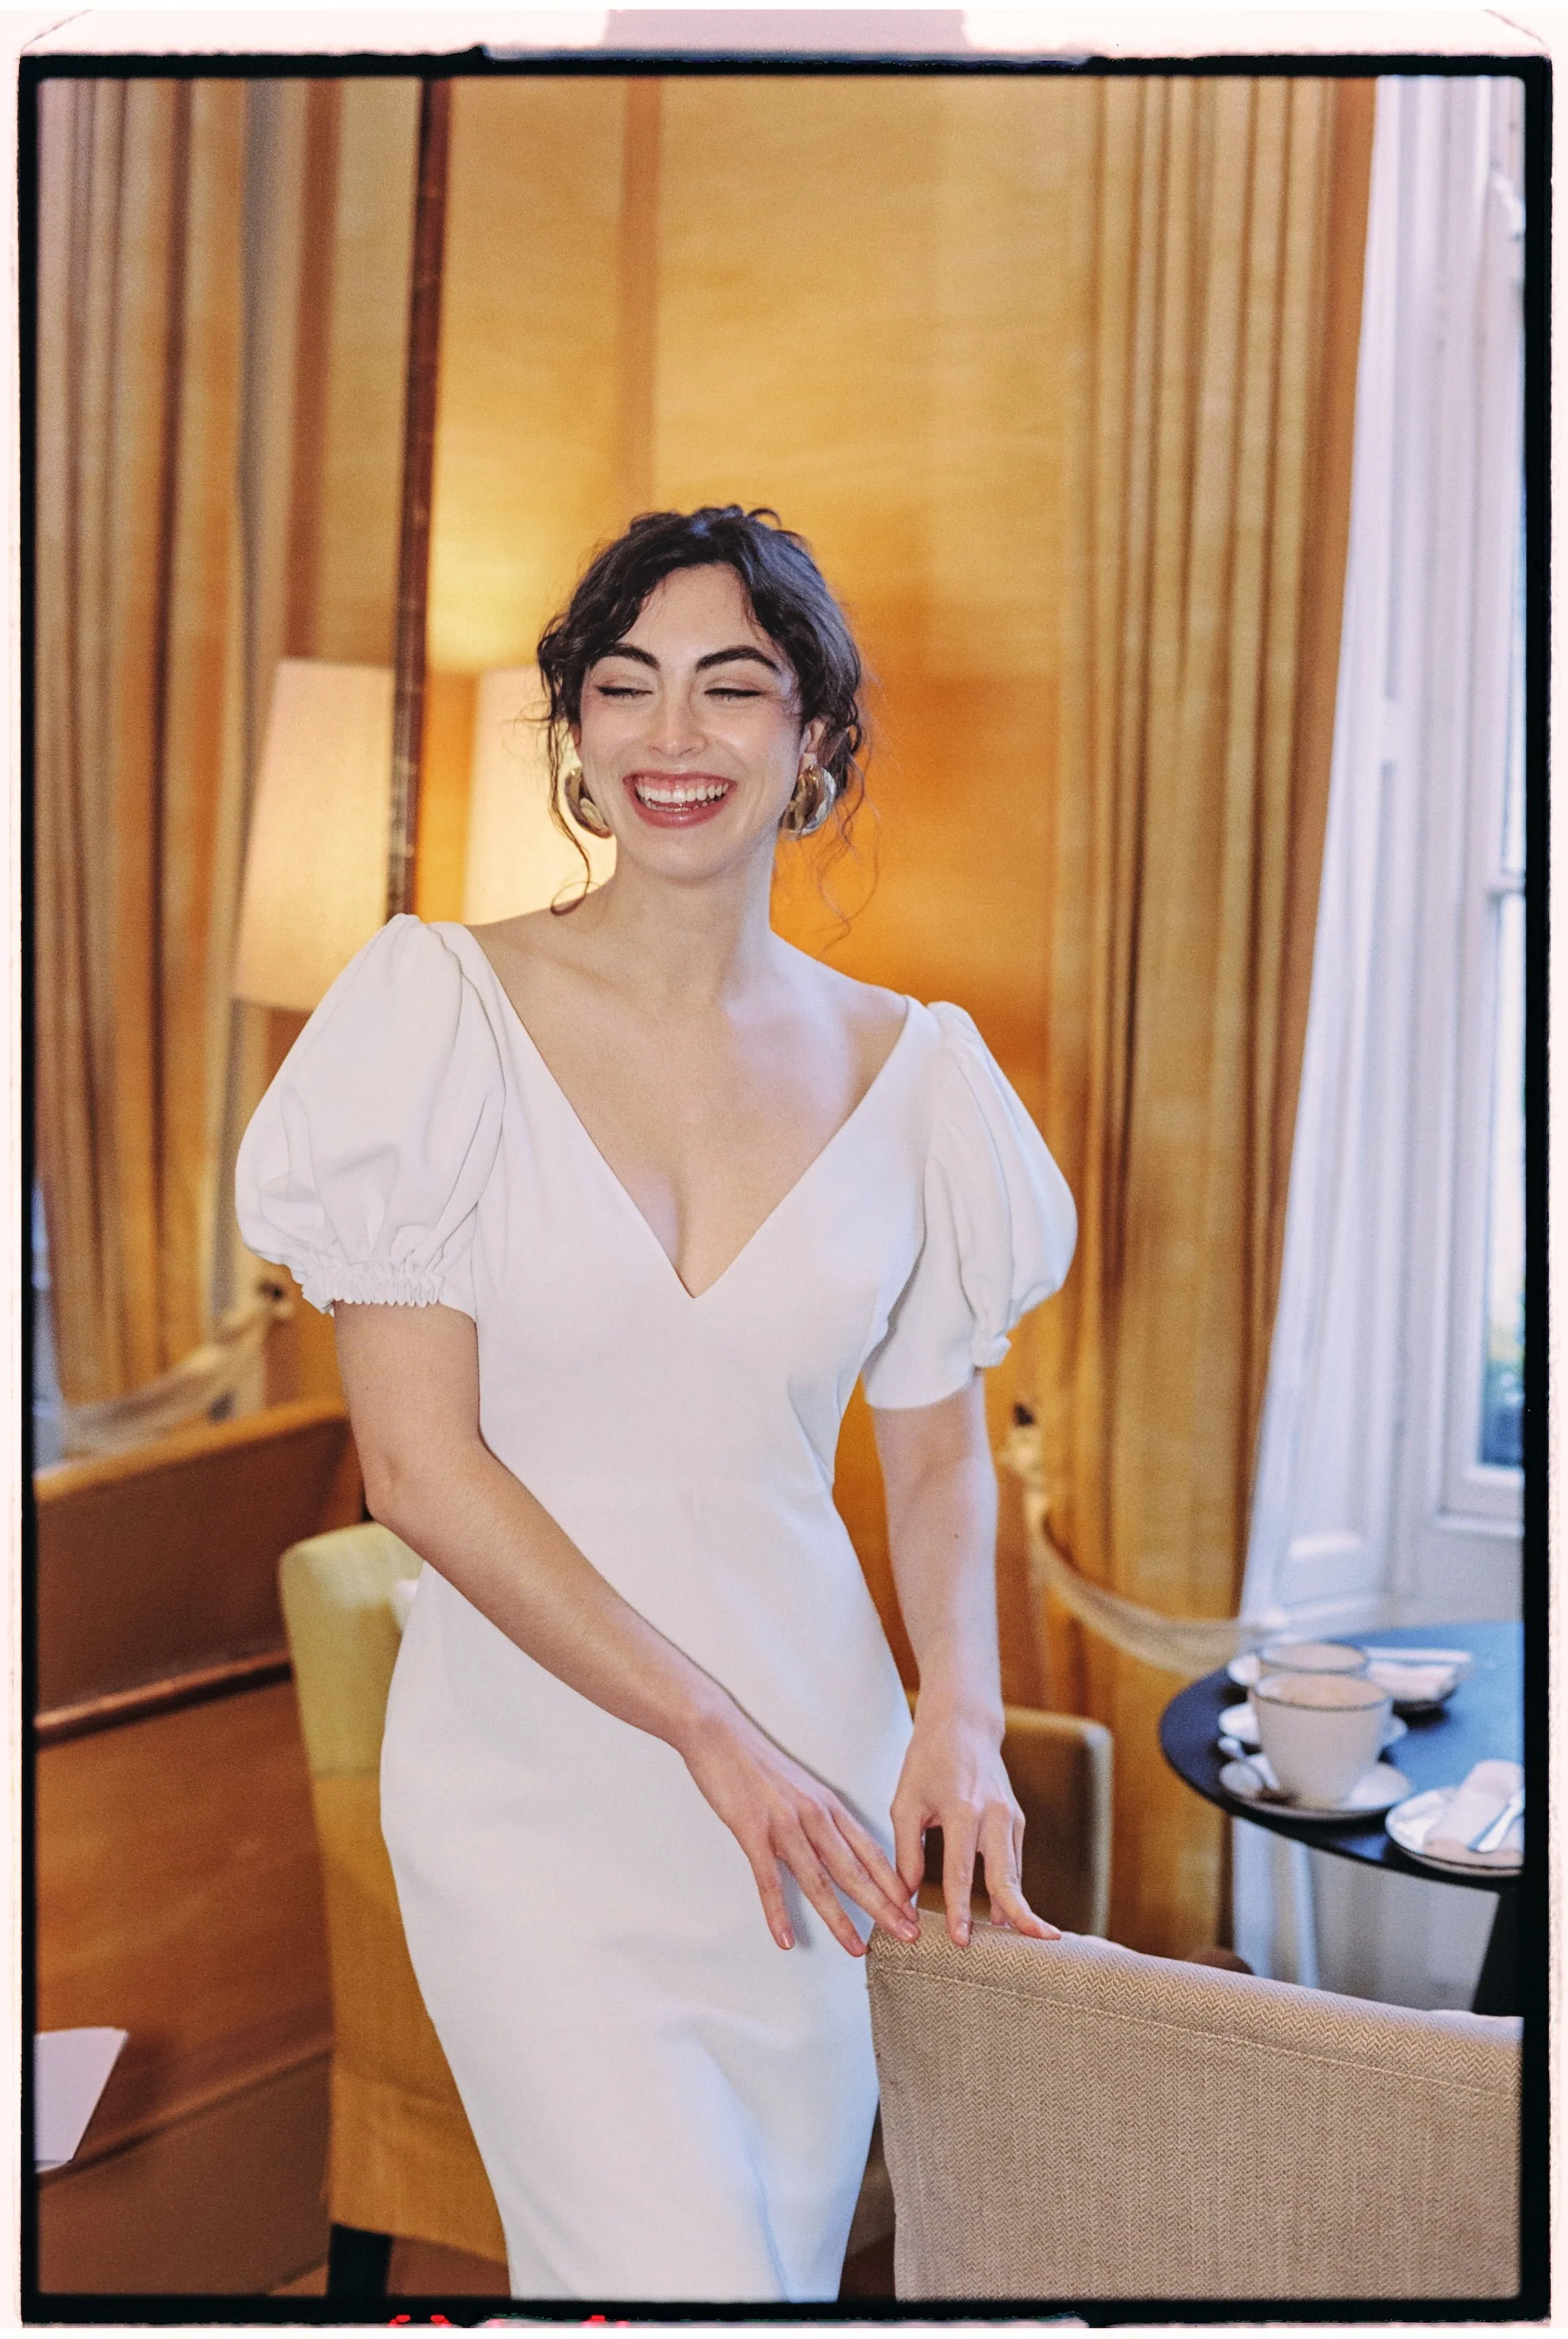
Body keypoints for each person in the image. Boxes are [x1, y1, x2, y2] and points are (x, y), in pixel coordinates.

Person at [235, 505, 1077, 2304]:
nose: (670, 738)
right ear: (578, 739)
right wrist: (714, 1740)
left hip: (822, 1793)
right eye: (622, 690)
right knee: (671, 2262)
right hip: (548, 1786)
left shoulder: (917, 1071)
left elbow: (933, 1453)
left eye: (730, 688)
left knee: (757, 2270)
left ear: (815, 745)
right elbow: (418, 1467)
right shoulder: (431, 1016)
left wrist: (961, 1720)